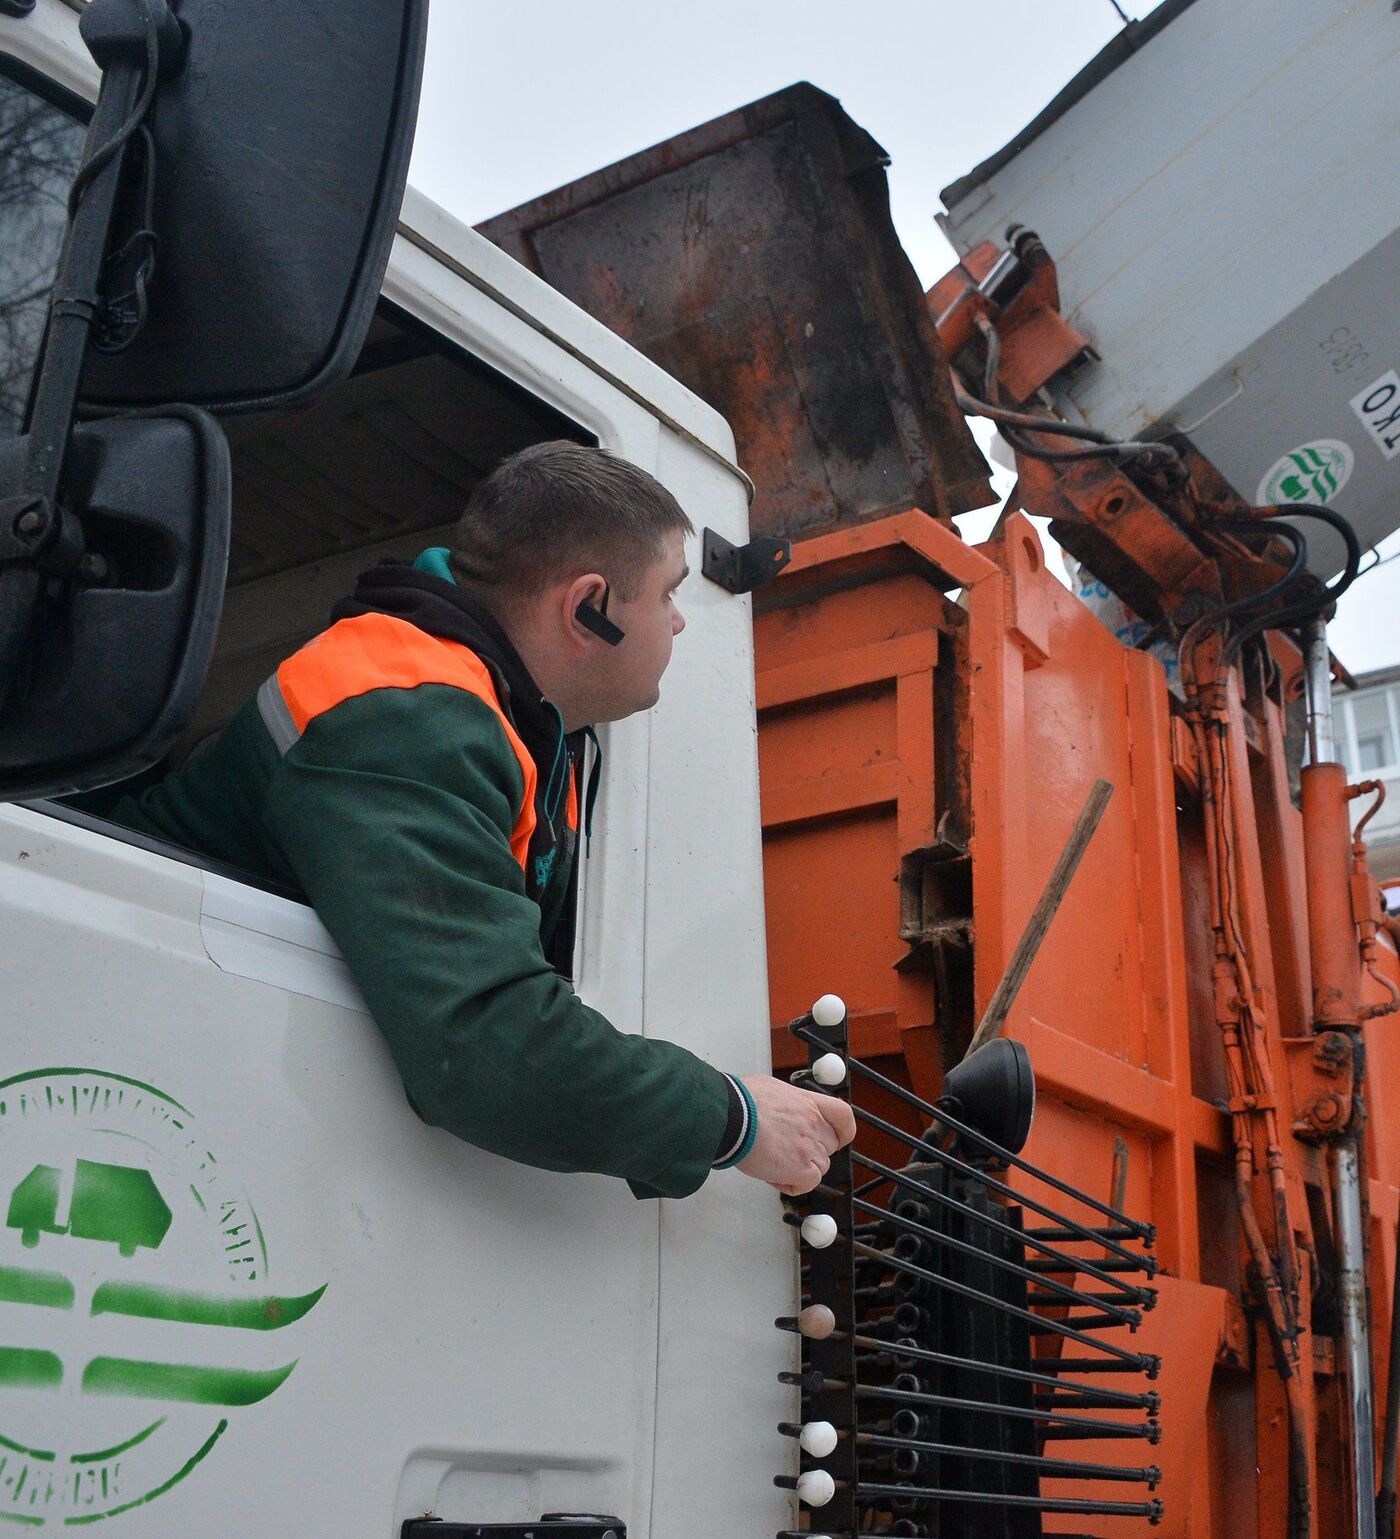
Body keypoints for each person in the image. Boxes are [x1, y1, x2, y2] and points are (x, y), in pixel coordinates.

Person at [112, 441, 855, 1198]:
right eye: (668, 593)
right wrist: (730, 1119)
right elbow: (485, 1049)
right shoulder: (400, 718)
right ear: (587, 607)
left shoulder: (517, 721)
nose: (680, 622)